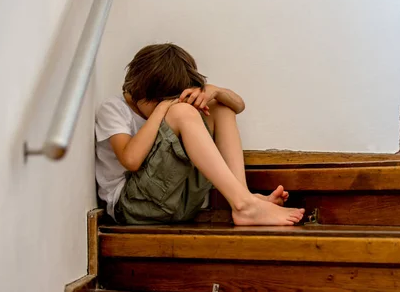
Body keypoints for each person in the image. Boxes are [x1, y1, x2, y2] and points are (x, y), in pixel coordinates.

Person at [95, 43, 305, 225]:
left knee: (219, 106)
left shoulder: (162, 103)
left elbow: (238, 106)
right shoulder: (114, 109)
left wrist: (214, 91)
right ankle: (245, 205)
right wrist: (164, 108)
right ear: (141, 92)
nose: (169, 104)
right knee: (183, 112)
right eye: (162, 100)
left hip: (179, 202)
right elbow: (131, 160)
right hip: (133, 206)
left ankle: (243, 198)